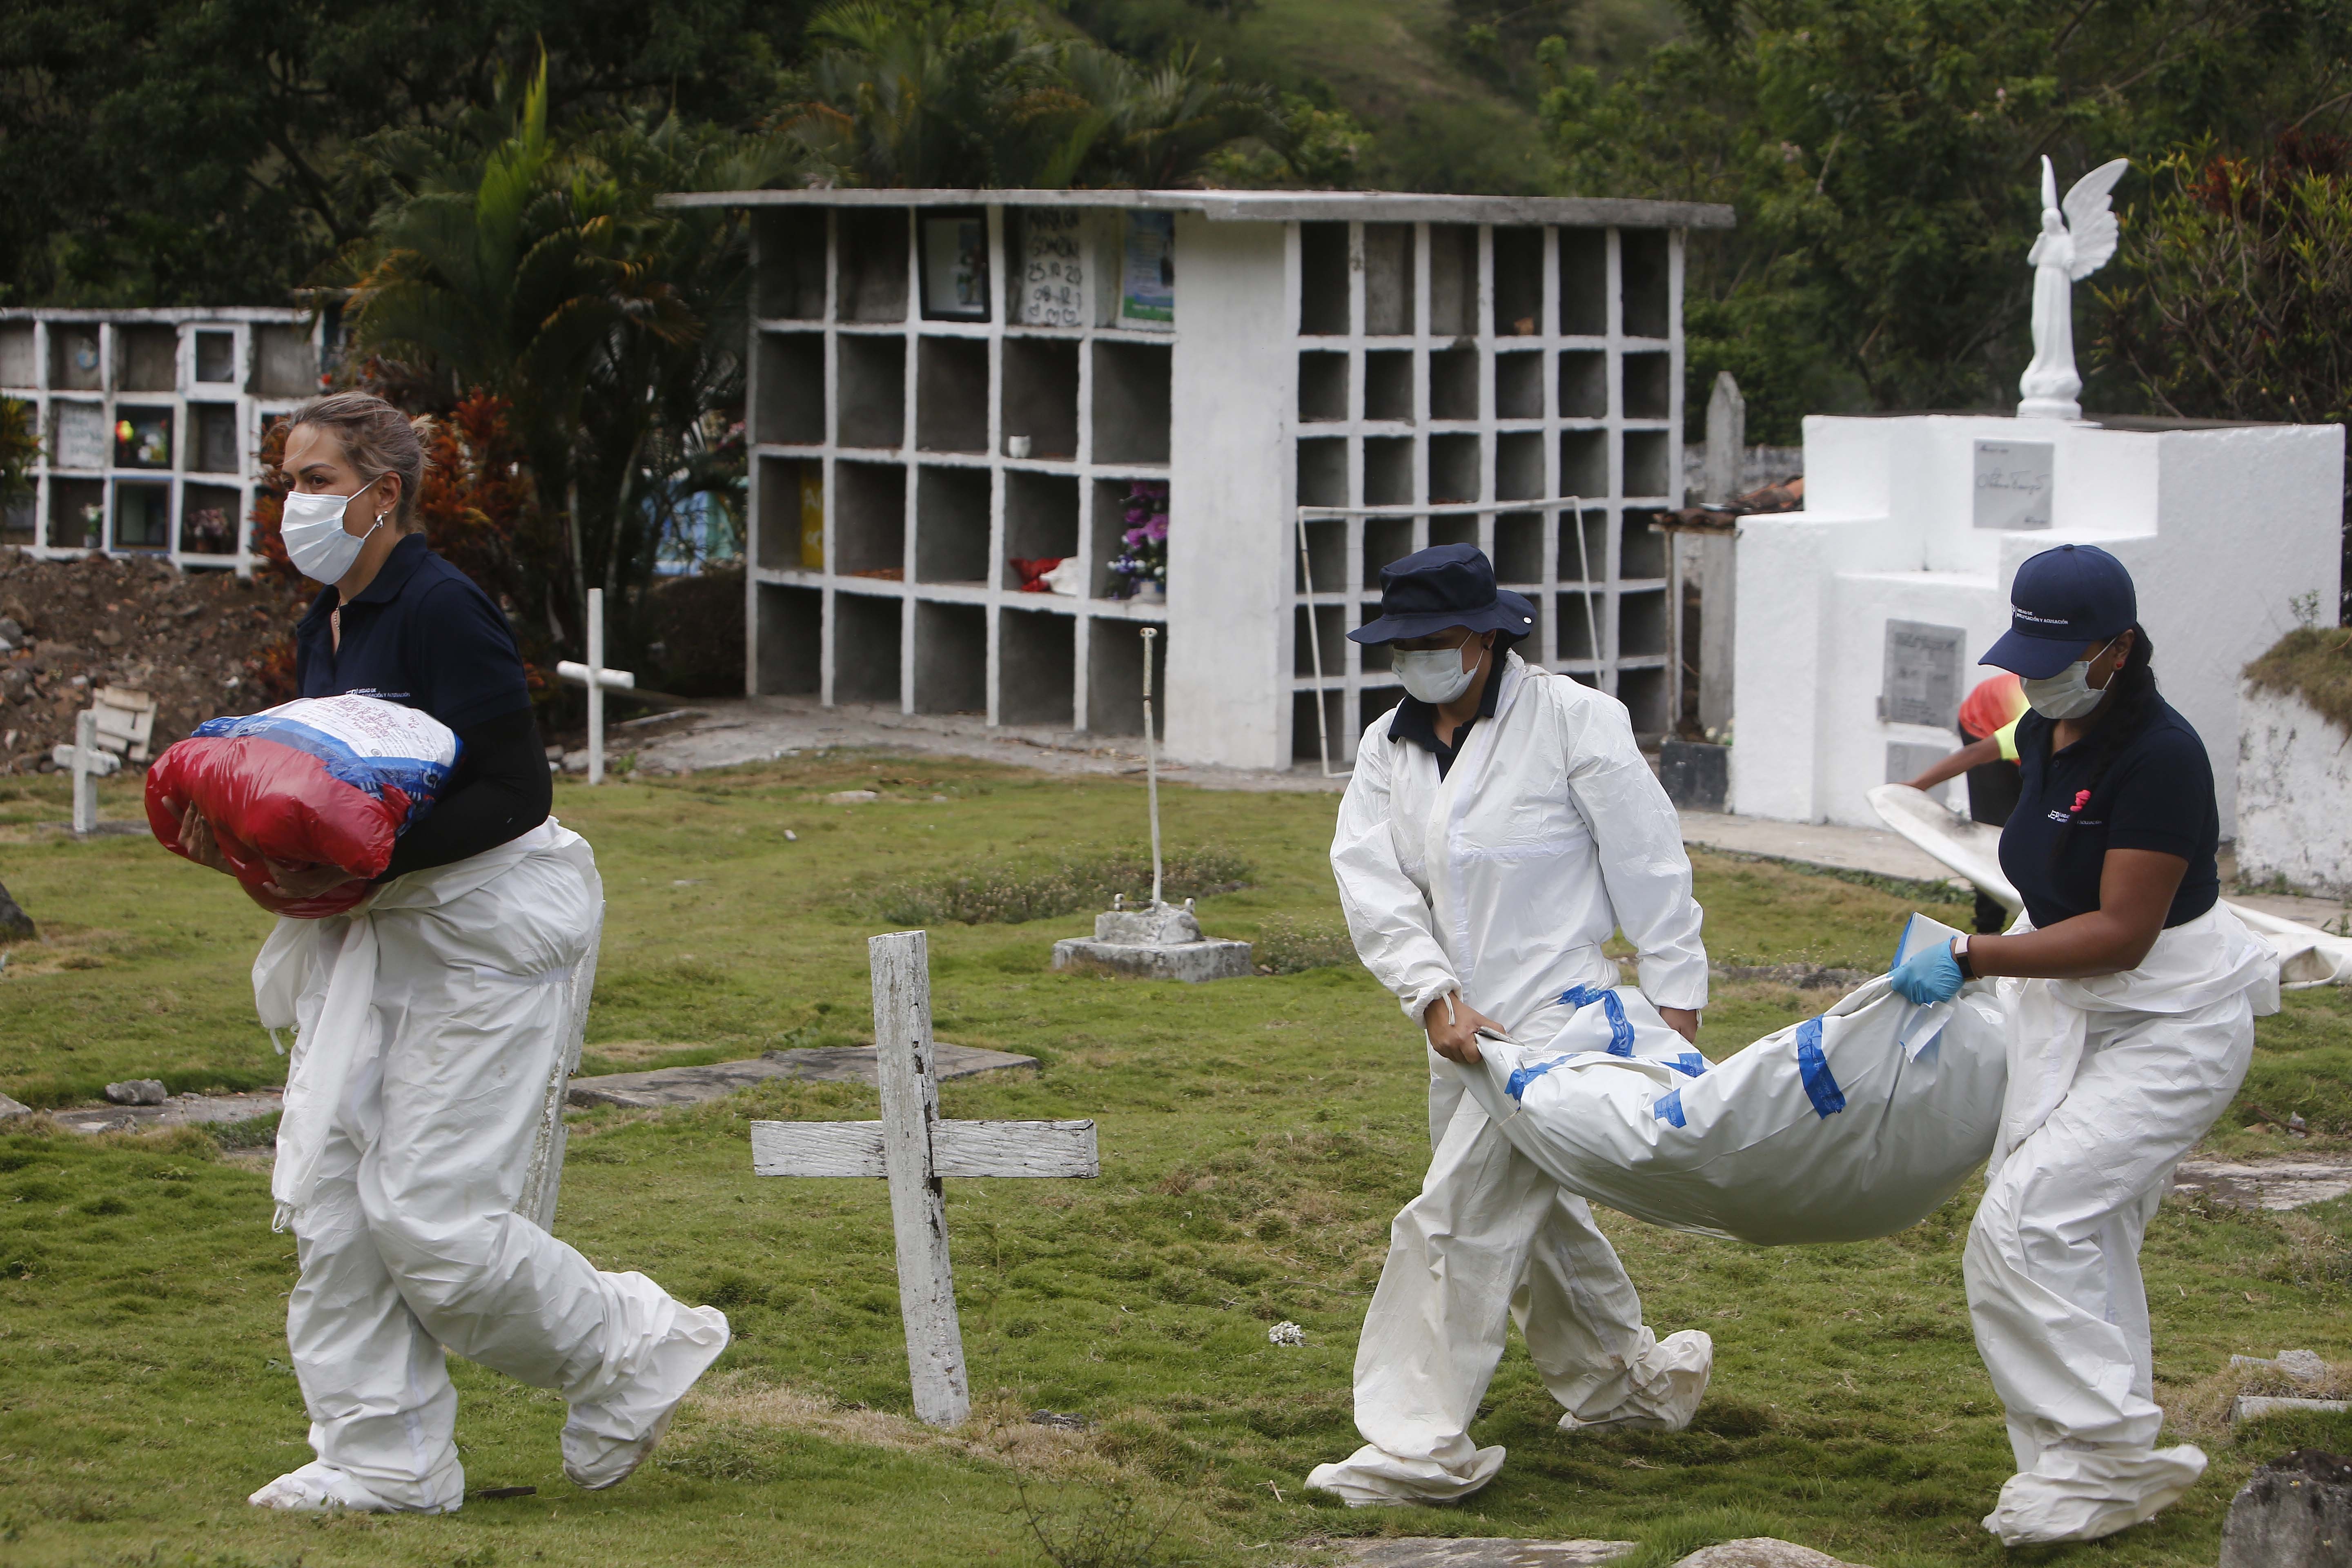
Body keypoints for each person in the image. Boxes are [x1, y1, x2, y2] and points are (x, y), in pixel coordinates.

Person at [168, 392, 728, 1513]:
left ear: (384, 494)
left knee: (429, 1213)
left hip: (488, 929)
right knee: (334, 1199)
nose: (294, 504)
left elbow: (517, 790)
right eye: (285, 482)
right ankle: (385, 1456)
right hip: (384, 930)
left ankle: (631, 1346)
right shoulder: (323, 622)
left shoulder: (441, 607)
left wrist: (365, 861)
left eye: (317, 481)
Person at [1306, 544, 1714, 1506]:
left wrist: (1677, 1009)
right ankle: (1624, 1385)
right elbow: (1368, 880)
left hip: (1561, 1031)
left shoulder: (1576, 722)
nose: (1415, 659)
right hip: (1457, 1033)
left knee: (1451, 1222)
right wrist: (1430, 992)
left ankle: (1415, 1444)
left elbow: (1650, 869)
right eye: (1399, 644)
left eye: (1434, 641)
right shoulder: (1386, 746)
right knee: (1531, 1228)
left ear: (1487, 637)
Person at [1887, 544, 2277, 1546]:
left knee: (2021, 1228)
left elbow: (2120, 932)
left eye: (2053, 656)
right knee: (2080, 1234)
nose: (2029, 675)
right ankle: (2074, 1473)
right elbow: (2005, 750)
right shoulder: (2049, 719)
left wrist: (1973, 955)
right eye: (2021, 655)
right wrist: (1910, 792)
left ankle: (2109, 1447)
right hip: (2071, 1013)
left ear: (2116, 649)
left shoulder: (2159, 754)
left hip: (2170, 1025)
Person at [1905, 671, 2029, 934]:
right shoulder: (2035, 724)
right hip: (1983, 722)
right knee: (1996, 833)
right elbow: (1975, 754)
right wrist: (1917, 787)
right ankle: (1988, 928)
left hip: (2018, 727)